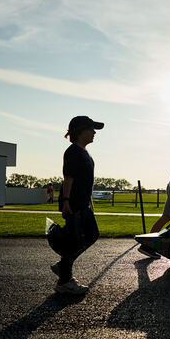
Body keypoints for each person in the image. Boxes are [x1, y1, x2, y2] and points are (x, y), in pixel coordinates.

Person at [51, 116, 102, 295]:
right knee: (79, 238)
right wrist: (65, 201)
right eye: (91, 129)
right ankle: (64, 279)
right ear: (80, 131)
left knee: (89, 235)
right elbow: (68, 178)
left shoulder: (84, 152)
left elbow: (85, 183)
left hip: (83, 203)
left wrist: (90, 204)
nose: (94, 132)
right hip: (73, 204)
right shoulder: (73, 151)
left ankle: (63, 269)